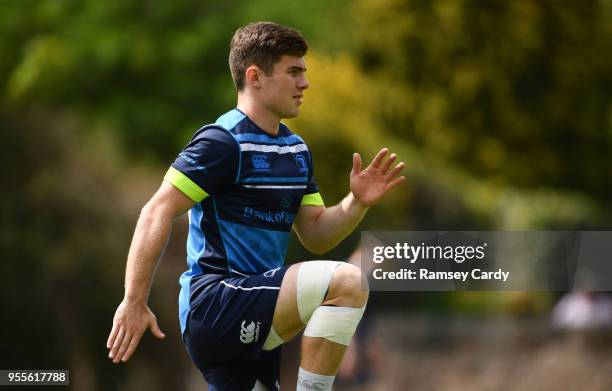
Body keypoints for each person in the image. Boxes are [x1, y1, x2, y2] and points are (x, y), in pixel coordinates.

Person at [107, 22, 405, 391]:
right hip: (216, 302)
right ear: (255, 76)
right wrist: (134, 301)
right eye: (293, 72)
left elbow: (315, 233)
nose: (305, 84)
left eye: (304, 73)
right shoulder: (222, 141)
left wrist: (356, 202)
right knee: (348, 281)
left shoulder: (296, 151)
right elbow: (156, 211)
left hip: (259, 306)